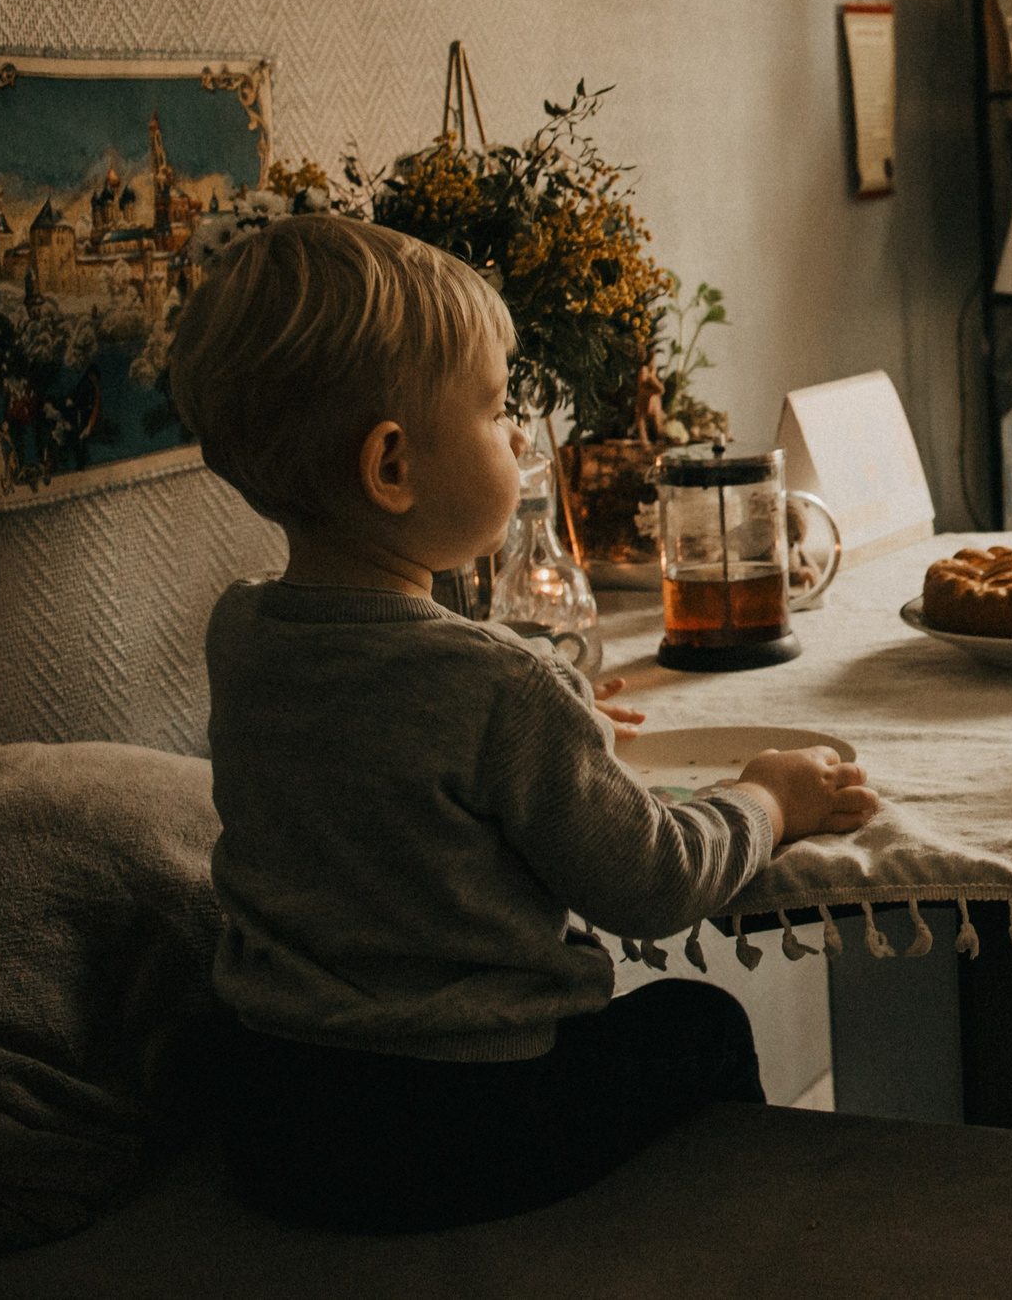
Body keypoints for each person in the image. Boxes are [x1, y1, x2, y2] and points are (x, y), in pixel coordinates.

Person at [166, 215, 880, 1233]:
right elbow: (652, 882)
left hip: (281, 1118)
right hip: (465, 1123)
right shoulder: (495, 683)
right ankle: (716, 1250)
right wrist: (768, 795)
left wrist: (557, 722)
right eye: (498, 412)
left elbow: (386, 751)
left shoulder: (242, 631)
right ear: (393, 468)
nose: (516, 437)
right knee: (699, 1022)